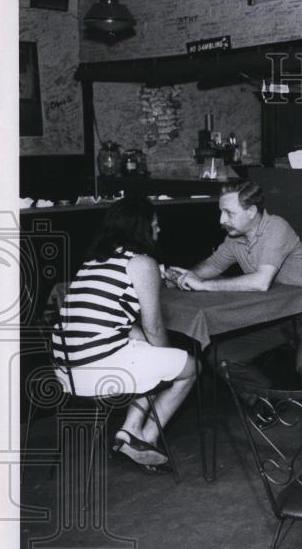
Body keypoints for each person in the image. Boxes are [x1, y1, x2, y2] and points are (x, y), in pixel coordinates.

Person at [52, 196, 196, 470]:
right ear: (141, 229)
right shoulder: (141, 262)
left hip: (65, 371)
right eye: (154, 224)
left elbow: (114, 320)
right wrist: (169, 356)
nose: (159, 230)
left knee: (142, 346)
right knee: (189, 367)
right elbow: (154, 326)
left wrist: (149, 347)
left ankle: (128, 433)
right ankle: (147, 438)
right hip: (96, 371)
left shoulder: (94, 262)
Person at [172, 182, 302, 419]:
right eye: (220, 212)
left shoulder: (277, 228)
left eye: (228, 213)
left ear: (251, 212)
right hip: (278, 318)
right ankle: (269, 403)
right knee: (219, 357)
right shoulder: (235, 237)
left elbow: (260, 282)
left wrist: (204, 285)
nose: (221, 220)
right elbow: (213, 265)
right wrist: (186, 276)